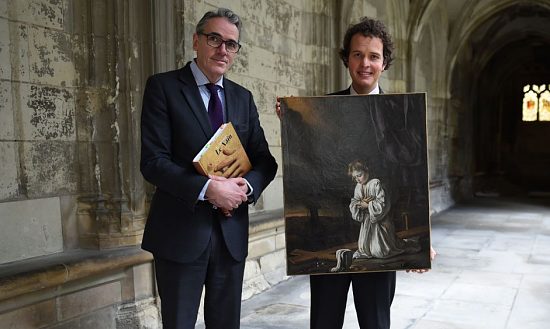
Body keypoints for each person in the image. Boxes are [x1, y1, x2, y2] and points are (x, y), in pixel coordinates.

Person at [276, 17, 436, 329]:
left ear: (384, 62)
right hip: (338, 228)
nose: (365, 63)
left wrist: (424, 237)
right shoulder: (323, 108)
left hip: (378, 236)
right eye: (357, 54)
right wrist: (291, 123)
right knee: (324, 320)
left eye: (374, 56)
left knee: (375, 321)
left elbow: (413, 174)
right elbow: (311, 164)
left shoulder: (399, 115)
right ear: (346, 58)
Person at [140, 8, 277, 329]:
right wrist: (208, 189)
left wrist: (247, 186)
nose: (223, 50)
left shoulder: (243, 98)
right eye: (214, 39)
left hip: (231, 237)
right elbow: (153, 162)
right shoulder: (163, 87)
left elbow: (265, 161)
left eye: (231, 44)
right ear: (196, 41)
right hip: (180, 233)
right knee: (179, 323)